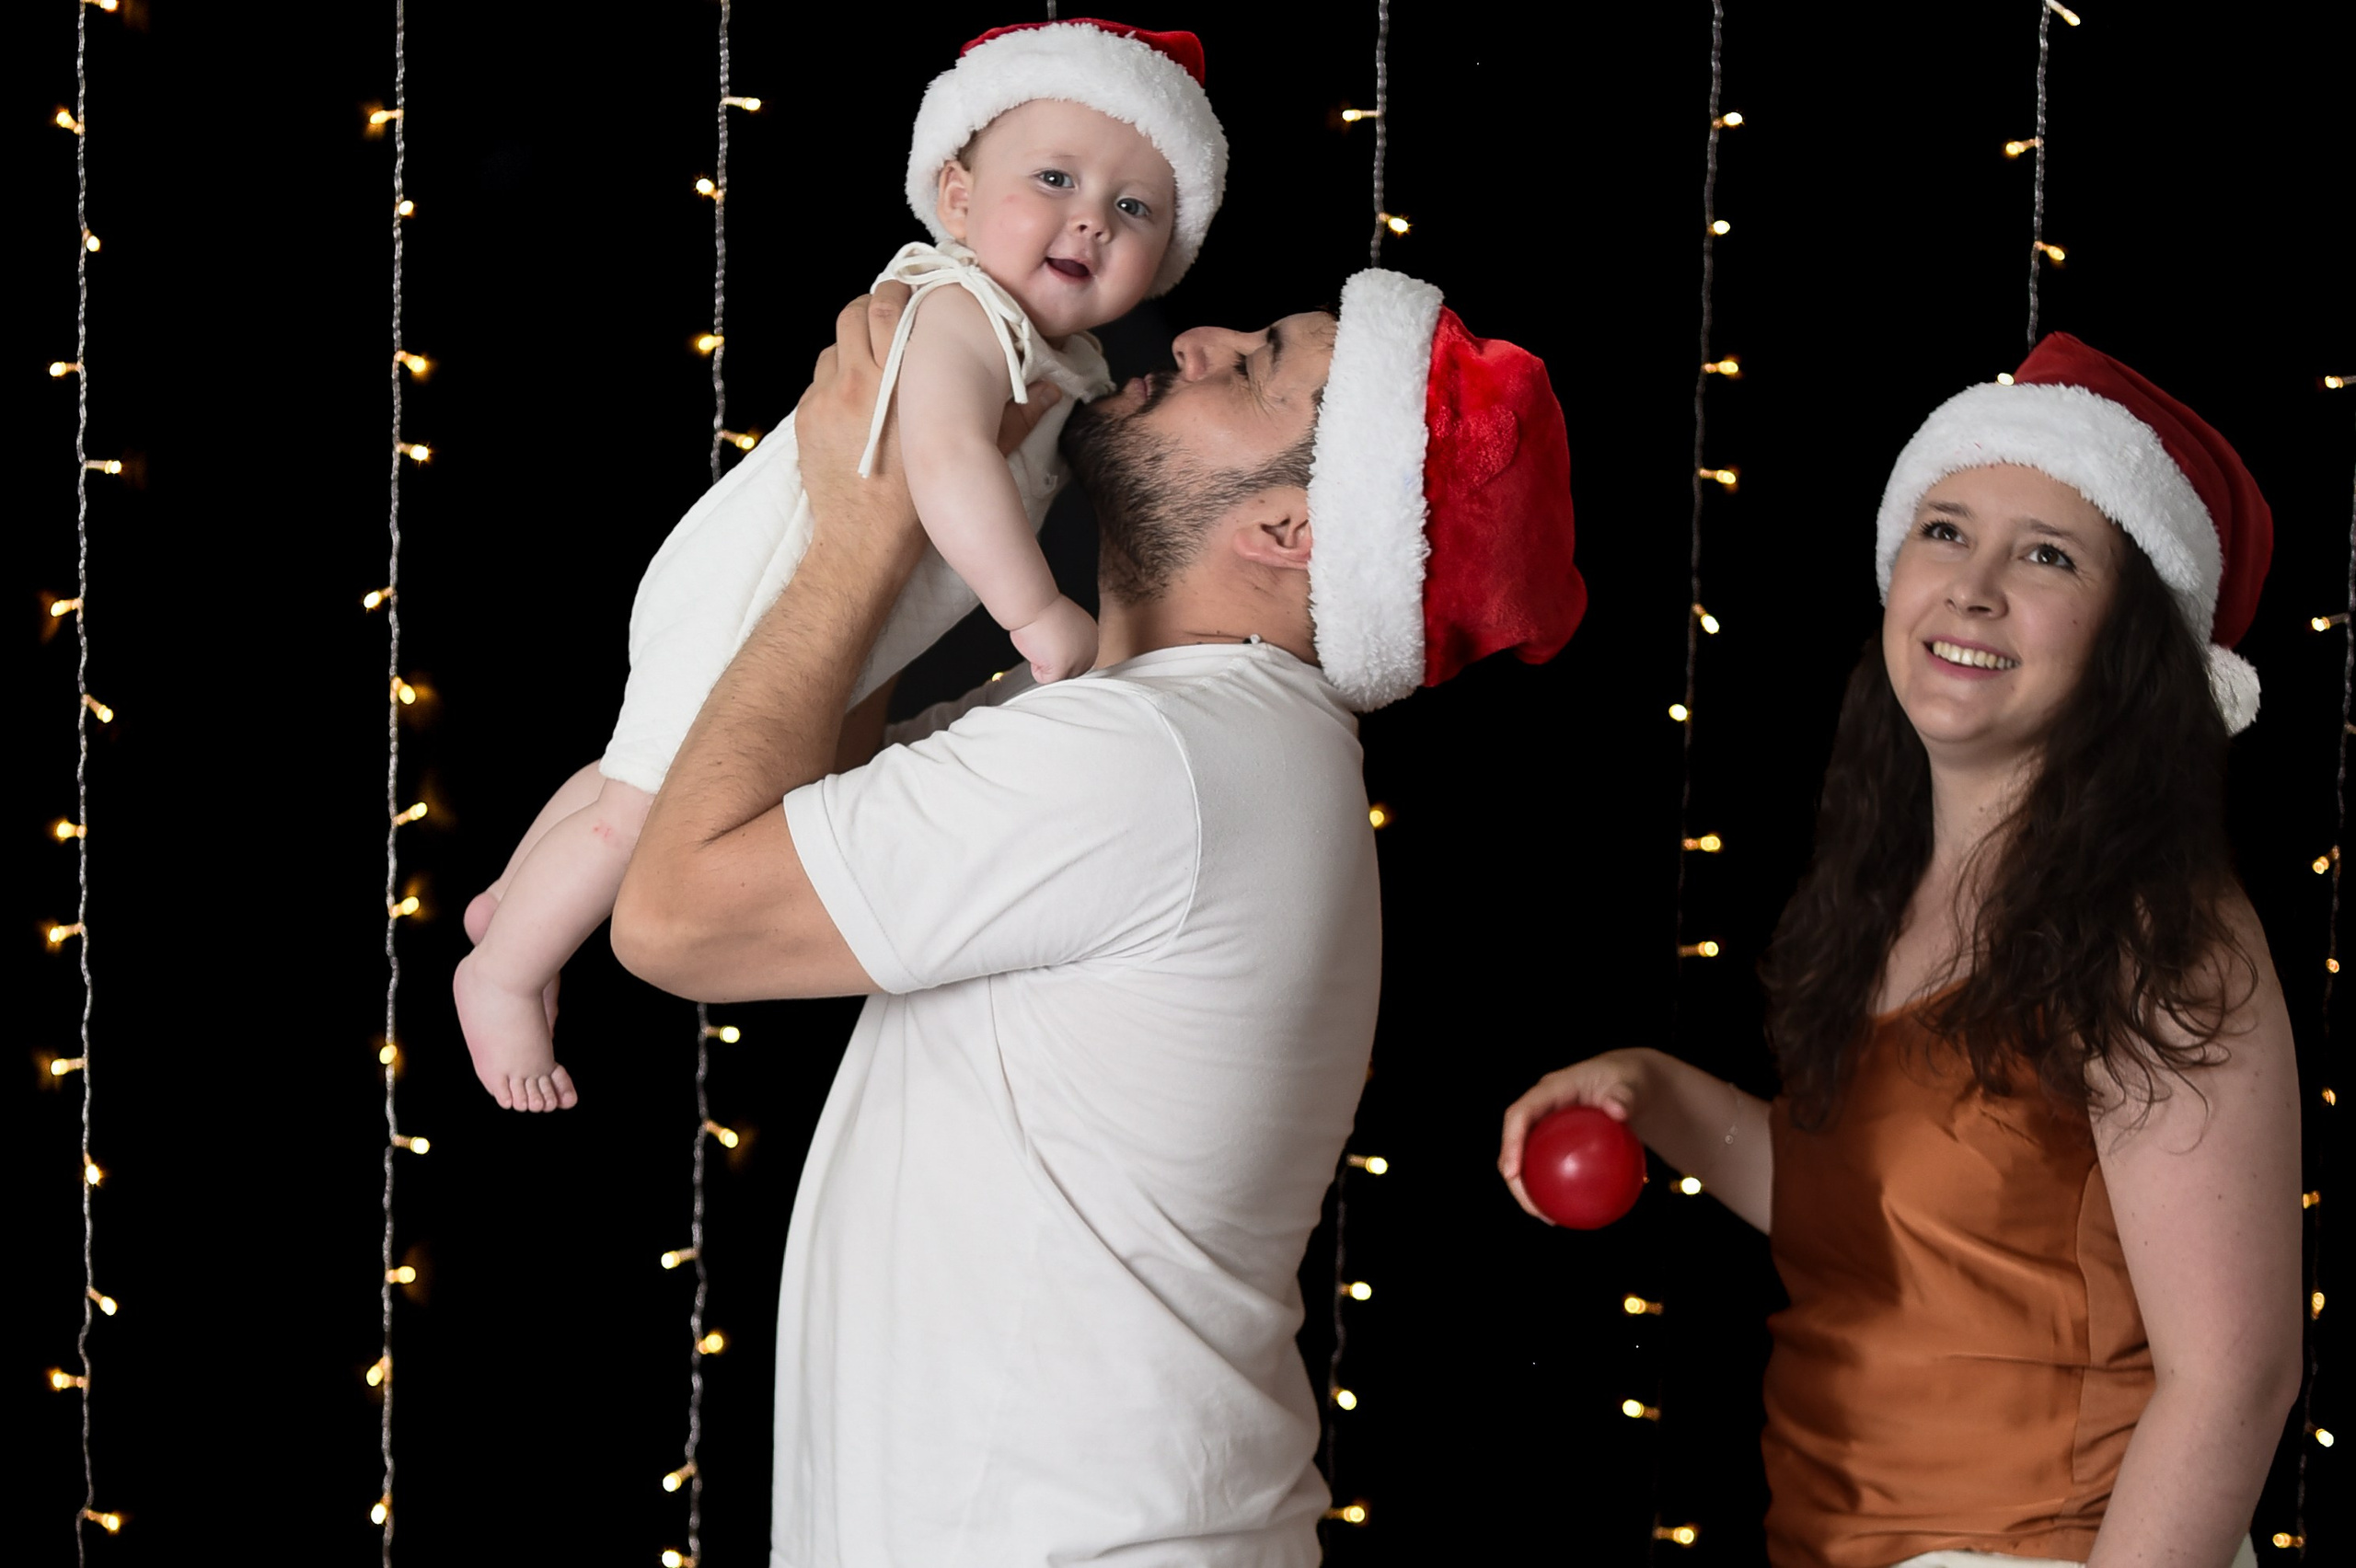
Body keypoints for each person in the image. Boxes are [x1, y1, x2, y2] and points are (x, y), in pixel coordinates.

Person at [612, 269, 1584, 1564]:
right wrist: (912, 484)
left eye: (1256, 367)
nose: (1201, 339)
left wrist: (864, 528)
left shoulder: (1158, 760)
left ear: (1291, 529)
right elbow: (801, 803)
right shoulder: (1142, 728)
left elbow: (679, 916)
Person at [1498, 335, 2301, 1568]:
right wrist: (1654, 1094)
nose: (1972, 587)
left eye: (2046, 554)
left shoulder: (2157, 931)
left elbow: (2234, 1378)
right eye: (1945, 531)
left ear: (2130, 639)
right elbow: (1893, 1220)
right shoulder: (1883, 888)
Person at [454, 18, 1229, 1112]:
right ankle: (500, 972)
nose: (1091, 217)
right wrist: (1036, 612)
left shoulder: (1065, 357)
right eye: (1053, 178)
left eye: (1135, 207)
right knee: (644, 808)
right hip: (760, 585)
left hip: (802, 594)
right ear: (957, 196)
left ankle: (512, 898)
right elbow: (947, 459)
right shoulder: (961, 310)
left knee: (638, 768)